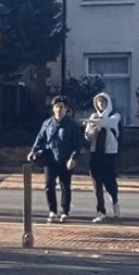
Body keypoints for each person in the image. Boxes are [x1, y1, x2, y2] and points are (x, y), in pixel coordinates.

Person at [29, 96, 85, 223]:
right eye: (56, 107)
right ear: (53, 109)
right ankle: (52, 211)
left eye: (61, 107)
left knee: (65, 186)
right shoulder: (47, 123)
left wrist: (73, 158)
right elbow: (40, 138)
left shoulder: (72, 125)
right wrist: (33, 151)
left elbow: (78, 145)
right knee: (49, 186)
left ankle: (65, 211)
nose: (59, 109)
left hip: (66, 160)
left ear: (66, 109)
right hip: (50, 160)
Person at [84, 92, 120, 223]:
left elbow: (108, 123)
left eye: (103, 102)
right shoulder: (93, 116)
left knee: (110, 182)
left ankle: (115, 201)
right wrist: (94, 130)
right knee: (96, 184)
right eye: (98, 102)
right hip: (96, 153)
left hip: (109, 153)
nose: (100, 104)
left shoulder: (114, 115)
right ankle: (100, 211)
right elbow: (88, 135)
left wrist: (93, 122)